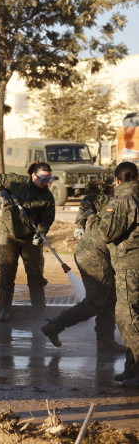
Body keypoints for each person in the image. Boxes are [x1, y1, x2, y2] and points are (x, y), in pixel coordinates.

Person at [39, 192, 120, 351]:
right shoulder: (128, 201)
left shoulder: (125, 200)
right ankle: (55, 326)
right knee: (96, 302)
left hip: (102, 253)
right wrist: (81, 223)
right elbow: (89, 199)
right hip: (93, 254)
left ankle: (106, 341)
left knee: (109, 298)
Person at [86, 161, 139, 388]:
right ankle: (131, 371)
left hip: (130, 269)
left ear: (117, 180)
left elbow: (106, 233)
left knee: (129, 321)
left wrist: (91, 219)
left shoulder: (122, 201)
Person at [0, 162, 55, 322]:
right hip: (9, 236)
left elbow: (48, 217)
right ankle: (4, 311)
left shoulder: (47, 196)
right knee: (6, 275)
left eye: (49, 179)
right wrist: (2, 192)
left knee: (36, 277)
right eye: (43, 178)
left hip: (31, 239)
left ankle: (39, 313)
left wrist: (41, 230)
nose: (46, 182)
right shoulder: (16, 181)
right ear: (33, 175)